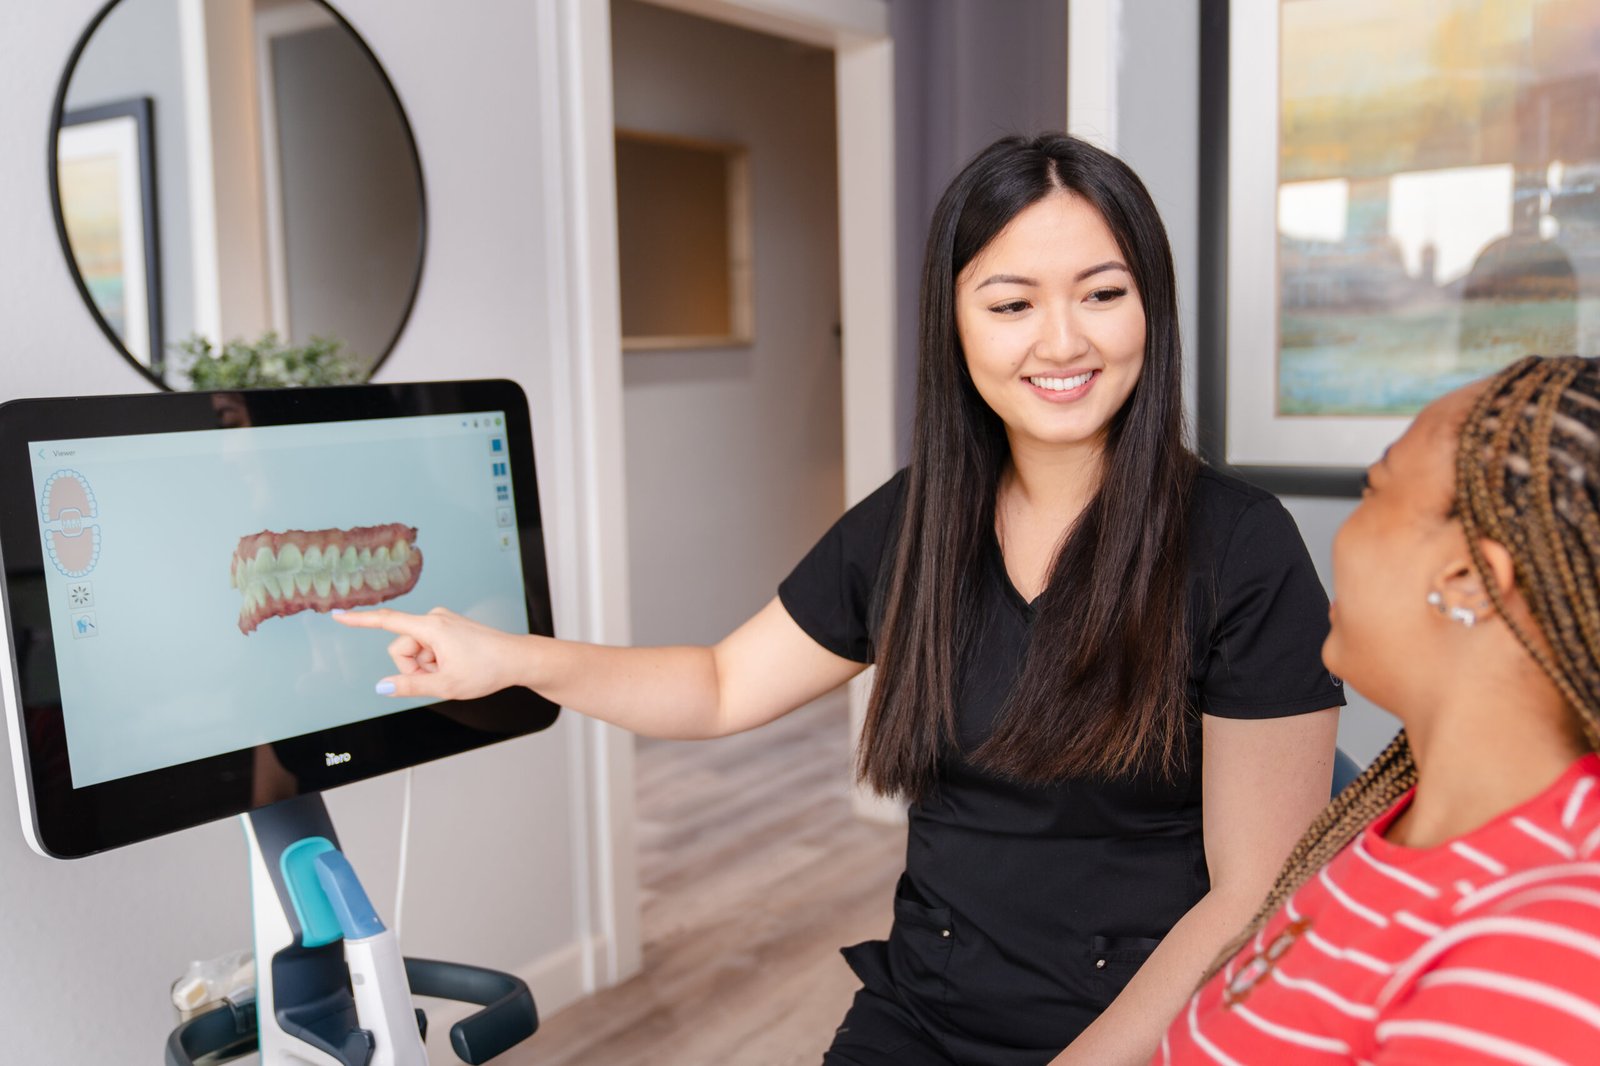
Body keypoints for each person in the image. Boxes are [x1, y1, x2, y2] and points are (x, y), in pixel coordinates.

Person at [335, 134, 1343, 1065]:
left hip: (1139, 1029)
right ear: (953, 322)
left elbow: (1254, 888)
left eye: (1101, 294)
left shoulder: (1238, 546)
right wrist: (515, 657)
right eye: (1010, 303)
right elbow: (722, 685)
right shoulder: (915, 522)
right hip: (926, 1011)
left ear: (1150, 308)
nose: (1061, 341)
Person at [1158, 355, 1600, 1064]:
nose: (1341, 533)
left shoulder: (1549, 944)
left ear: (1466, 580)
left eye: (1375, 491)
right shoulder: (1387, 817)